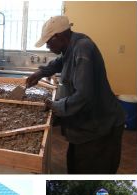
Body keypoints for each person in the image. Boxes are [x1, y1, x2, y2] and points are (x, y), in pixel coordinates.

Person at [26, 16, 125, 174]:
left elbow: (84, 96)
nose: (47, 46)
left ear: (58, 36)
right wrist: (41, 72)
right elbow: (60, 62)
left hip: (100, 127)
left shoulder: (83, 48)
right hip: (85, 126)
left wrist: (55, 106)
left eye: (48, 42)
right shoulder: (72, 45)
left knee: (91, 171)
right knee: (75, 166)